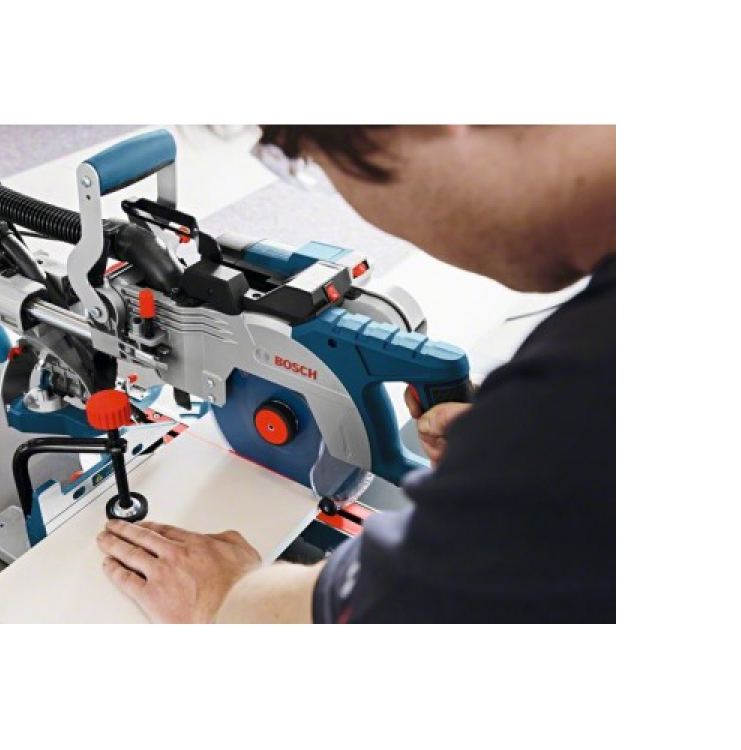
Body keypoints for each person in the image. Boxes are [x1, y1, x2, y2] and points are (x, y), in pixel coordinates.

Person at [96, 125, 616, 623]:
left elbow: (392, 611)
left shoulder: (577, 383)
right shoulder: (573, 377)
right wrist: (503, 458)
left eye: (316, 167)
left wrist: (222, 597)